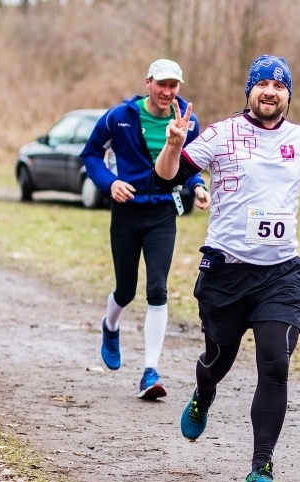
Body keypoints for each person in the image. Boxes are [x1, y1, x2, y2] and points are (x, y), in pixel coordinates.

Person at [153, 55, 300, 482]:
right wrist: (173, 146)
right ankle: (203, 392)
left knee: (275, 365)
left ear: (288, 95)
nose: (270, 92)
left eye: (279, 87)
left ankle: (260, 468)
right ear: (250, 91)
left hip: (280, 275)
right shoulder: (221, 134)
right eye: (262, 85)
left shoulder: (299, 140)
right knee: (218, 359)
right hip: (226, 273)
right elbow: (167, 178)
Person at [79, 58, 210, 399]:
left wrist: (197, 185)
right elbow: (91, 154)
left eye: (173, 85)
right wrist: (110, 183)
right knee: (125, 290)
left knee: (157, 289)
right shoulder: (120, 116)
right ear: (148, 82)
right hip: (126, 212)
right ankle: (110, 326)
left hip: (162, 213)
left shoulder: (187, 120)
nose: (167, 91)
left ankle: (150, 372)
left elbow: (189, 163)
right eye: (161, 84)